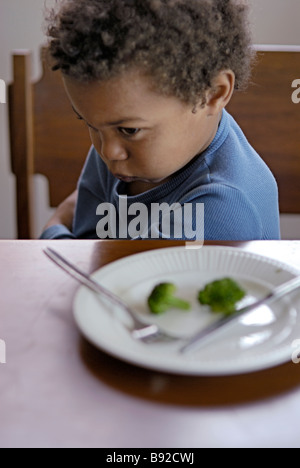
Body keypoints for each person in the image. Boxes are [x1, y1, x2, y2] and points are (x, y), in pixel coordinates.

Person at [40, 0, 281, 241]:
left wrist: (55, 225)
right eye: (89, 124)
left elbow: (103, 275)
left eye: (130, 129)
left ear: (213, 94)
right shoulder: (116, 141)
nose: (107, 151)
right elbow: (86, 247)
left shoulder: (224, 206)